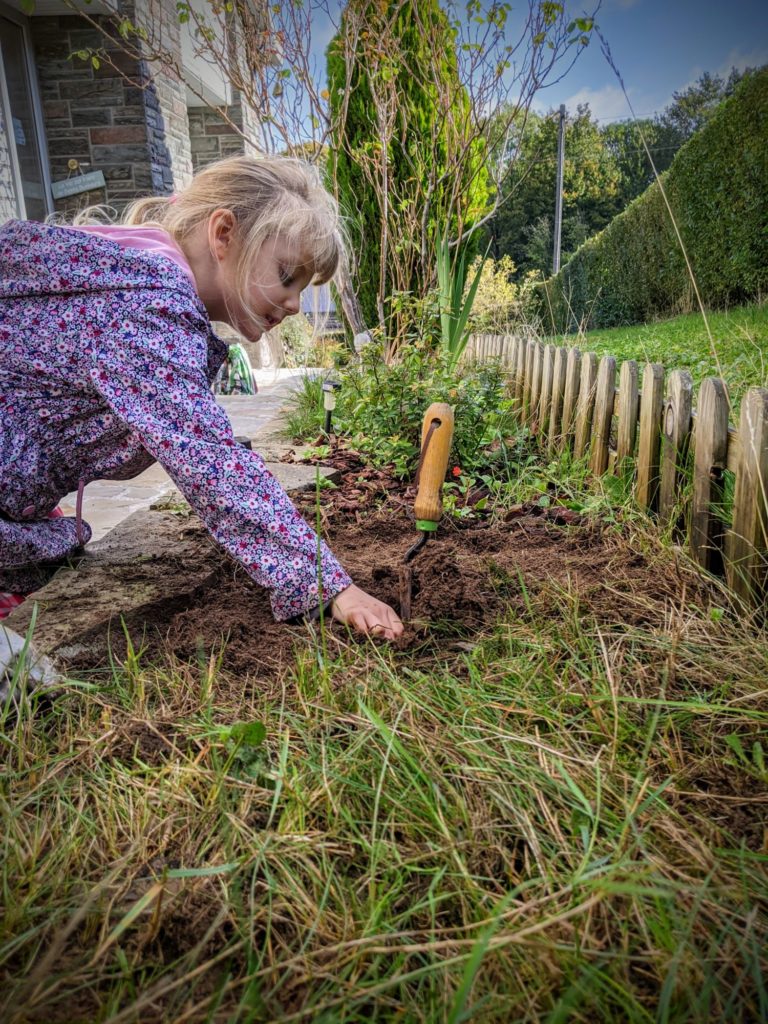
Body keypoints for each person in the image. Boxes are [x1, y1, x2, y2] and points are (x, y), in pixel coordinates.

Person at [0, 154, 403, 669]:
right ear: (223, 234)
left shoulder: (135, 270)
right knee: (25, 674)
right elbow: (208, 461)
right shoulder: (148, 310)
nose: (295, 304)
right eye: (286, 275)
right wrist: (324, 582)